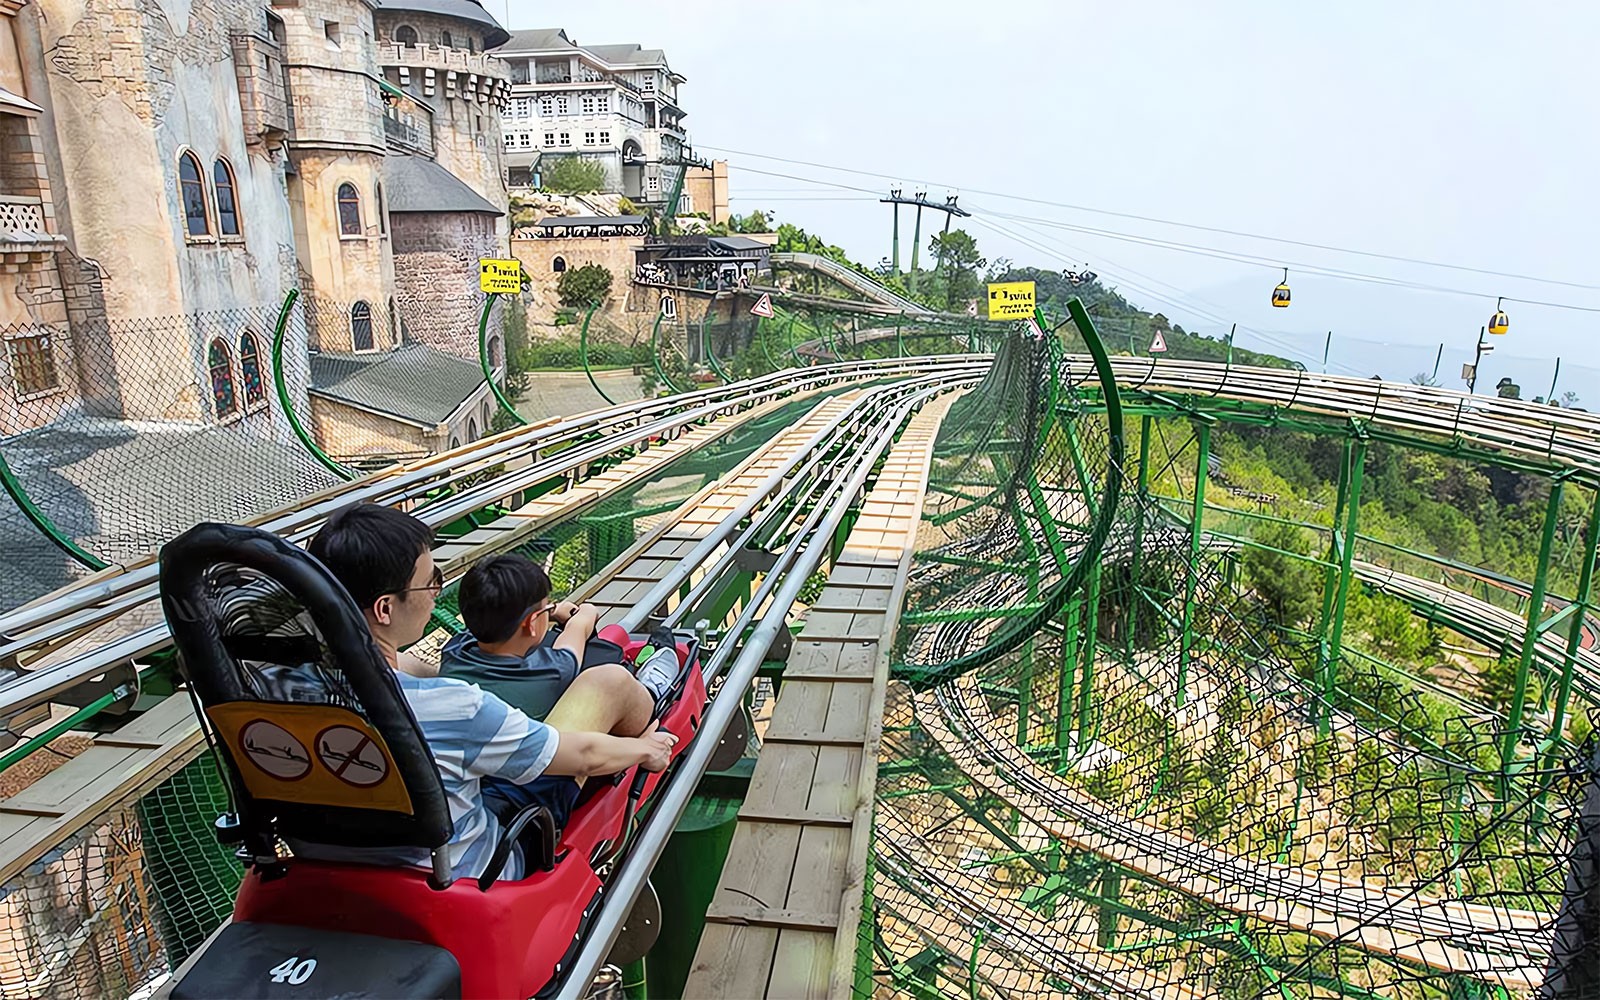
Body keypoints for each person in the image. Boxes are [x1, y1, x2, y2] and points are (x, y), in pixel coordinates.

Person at [304, 503, 676, 881]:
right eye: (431, 579)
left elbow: (396, 670)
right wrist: (647, 749)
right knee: (606, 681)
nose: (437, 590)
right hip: (468, 871)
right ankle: (653, 689)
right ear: (384, 609)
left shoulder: (273, 690)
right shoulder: (454, 706)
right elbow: (582, 756)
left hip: (326, 870)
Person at [440, 554, 676, 723]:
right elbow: (580, 625)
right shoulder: (552, 670)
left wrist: (544, 612)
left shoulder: (454, 650)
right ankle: (653, 689)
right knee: (617, 681)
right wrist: (580, 612)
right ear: (532, 624)